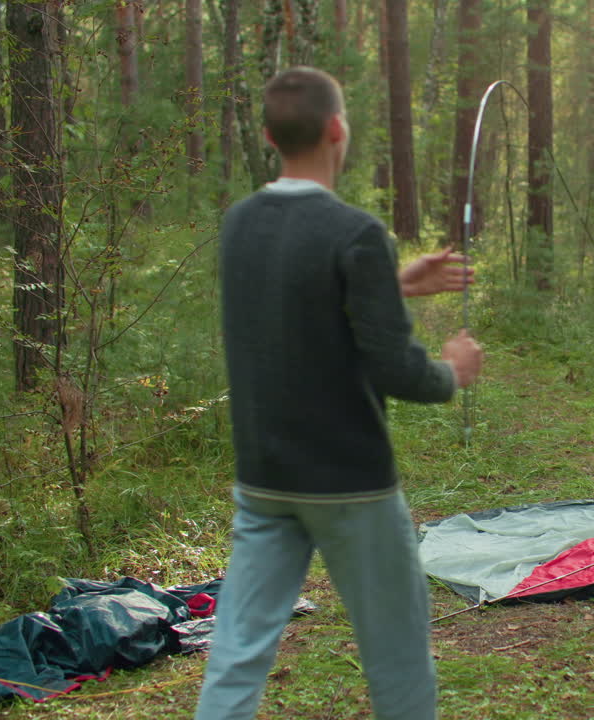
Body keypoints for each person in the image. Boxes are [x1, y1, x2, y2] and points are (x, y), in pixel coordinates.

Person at [194, 66, 483, 720]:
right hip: (351, 485)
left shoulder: (238, 224)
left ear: (269, 135)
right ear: (337, 129)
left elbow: (291, 305)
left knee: (237, 652)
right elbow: (399, 371)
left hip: (263, 481)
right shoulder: (355, 234)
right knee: (398, 655)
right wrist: (452, 371)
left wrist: (394, 281)